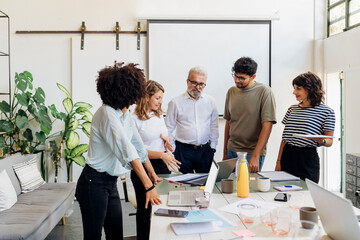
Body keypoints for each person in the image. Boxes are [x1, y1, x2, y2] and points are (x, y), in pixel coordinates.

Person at [75, 62, 162, 240]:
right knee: (93, 237)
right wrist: (148, 186)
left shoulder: (125, 114)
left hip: (110, 183)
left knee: (116, 235)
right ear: (128, 92)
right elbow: (128, 152)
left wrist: (152, 174)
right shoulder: (106, 113)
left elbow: (138, 147)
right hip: (93, 183)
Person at [275, 72, 335, 183]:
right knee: (283, 192)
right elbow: (284, 139)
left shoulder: (327, 112)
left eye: (298, 89)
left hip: (307, 158)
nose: (294, 92)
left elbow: (330, 141)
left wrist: (320, 140)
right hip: (287, 155)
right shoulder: (292, 109)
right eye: (294, 88)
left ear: (310, 89)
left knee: (306, 195)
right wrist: (278, 161)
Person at [223, 57, 276, 173]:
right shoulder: (231, 92)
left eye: (242, 78)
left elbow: (267, 125)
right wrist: (225, 153)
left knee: (248, 189)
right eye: (235, 76)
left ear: (253, 77)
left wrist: (256, 156)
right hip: (232, 150)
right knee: (230, 189)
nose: (237, 80)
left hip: (252, 152)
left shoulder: (264, 91)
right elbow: (228, 122)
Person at [165, 66, 219, 174]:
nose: (197, 87)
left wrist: (212, 148)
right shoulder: (175, 102)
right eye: (194, 82)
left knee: (205, 184)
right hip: (183, 151)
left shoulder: (210, 101)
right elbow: (168, 128)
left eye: (201, 84)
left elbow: (214, 126)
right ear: (187, 81)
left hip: (205, 151)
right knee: (185, 185)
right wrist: (174, 150)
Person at [133, 80, 181, 174]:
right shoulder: (134, 119)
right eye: (157, 98)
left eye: (161, 98)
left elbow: (155, 136)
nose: (160, 102)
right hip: (144, 166)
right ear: (147, 97)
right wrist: (161, 155)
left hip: (162, 163)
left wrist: (165, 140)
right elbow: (135, 151)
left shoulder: (158, 116)